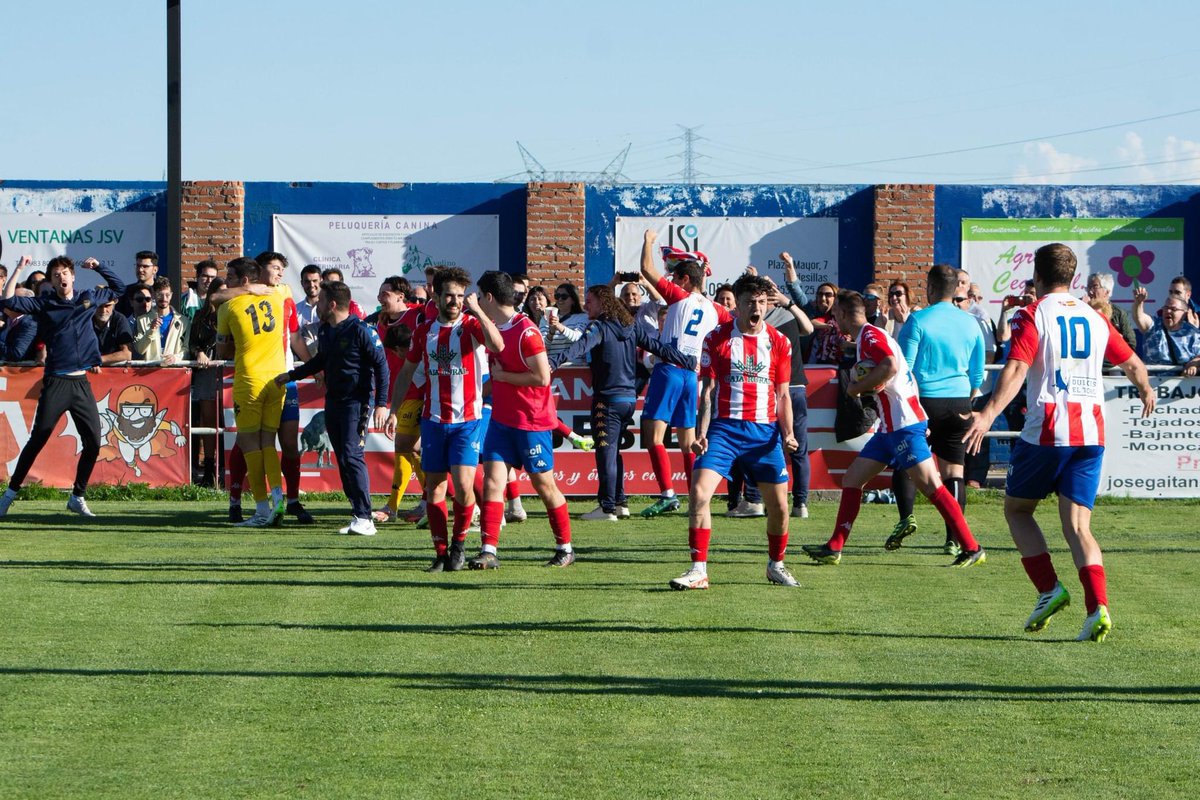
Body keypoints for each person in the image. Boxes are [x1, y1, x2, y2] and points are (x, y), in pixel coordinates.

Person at [965, 243, 1154, 642]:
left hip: (1048, 430)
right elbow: (1133, 363)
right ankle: (1098, 608)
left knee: (1017, 510)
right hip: (1091, 433)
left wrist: (987, 413)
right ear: (1071, 278)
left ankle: (1049, 589)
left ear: (1037, 276)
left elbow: (1016, 367)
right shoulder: (1095, 316)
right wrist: (1146, 389)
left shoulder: (1033, 314)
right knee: (1079, 527)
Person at [800, 290, 985, 568]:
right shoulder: (865, 337)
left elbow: (890, 365)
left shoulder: (871, 336)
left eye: (836, 311)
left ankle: (972, 548)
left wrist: (856, 388)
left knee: (933, 487)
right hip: (889, 428)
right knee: (852, 479)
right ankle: (834, 547)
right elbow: (894, 371)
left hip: (904, 426)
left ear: (842, 313)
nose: (833, 316)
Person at [668, 274, 801, 590]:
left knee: (780, 507)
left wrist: (789, 433)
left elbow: (783, 394)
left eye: (761, 302)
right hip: (725, 430)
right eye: (749, 302)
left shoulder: (779, 342)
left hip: (763, 433)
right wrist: (701, 432)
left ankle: (776, 565)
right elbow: (708, 390)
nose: (756, 308)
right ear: (737, 306)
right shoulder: (716, 338)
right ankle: (698, 569)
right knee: (699, 494)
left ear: (767, 305)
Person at [385, 267, 503, 572]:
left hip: (467, 420)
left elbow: (497, 345)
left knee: (464, 487)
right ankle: (440, 552)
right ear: (436, 296)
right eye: (449, 295)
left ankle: (459, 545)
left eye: (460, 296)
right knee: (435, 488)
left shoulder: (471, 325)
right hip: (433, 420)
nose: (455, 301)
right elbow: (407, 373)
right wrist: (393, 410)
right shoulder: (424, 331)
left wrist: (477, 309)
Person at [547, 284, 695, 521]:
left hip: (607, 399)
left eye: (590, 301)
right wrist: (685, 361)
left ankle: (606, 508)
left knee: (605, 452)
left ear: (603, 303)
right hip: (628, 400)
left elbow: (579, 347)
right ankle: (620, 503)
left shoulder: (599, 327)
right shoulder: (630, 325)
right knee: (613, 450)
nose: (586, 306)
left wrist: (552, 362)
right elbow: (656, 346)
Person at [0, 256, 126, 519]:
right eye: (56, 275)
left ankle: (77, 497)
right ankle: (9, 494)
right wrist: (19, 269)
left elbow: (120, 289)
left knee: (93, 441)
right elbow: (8, 301)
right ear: (52, 281)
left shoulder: (87, 297)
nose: (62, 278)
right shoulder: (45, 303)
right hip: (57, 380)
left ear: (73, 276)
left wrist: (100, 266)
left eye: (65, 273)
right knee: (39, 438)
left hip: (81, 383)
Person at [466, 270, 576, 566]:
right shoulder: (494, 330)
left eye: (479, 296)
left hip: (531, 422)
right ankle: (489, 550)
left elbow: (542, 377)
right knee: (492, 483)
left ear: (488, 297)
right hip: (502, 420)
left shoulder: (526, 330)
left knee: (544, 485)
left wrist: (503, 376)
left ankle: (565, 548)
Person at [276, 281, 389, 536]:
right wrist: (292, 375)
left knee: (352, 455)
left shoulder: (361, 330)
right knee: (342, 458)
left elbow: (381, 366)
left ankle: (364, 517)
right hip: (334, 401)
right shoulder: (327, 330)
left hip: (356, 402)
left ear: (333, 304)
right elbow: (321, 360)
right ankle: (357, 514)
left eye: (322, 300)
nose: (318, 305)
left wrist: (381, 404)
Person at [889, 265, 986, 555]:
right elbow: (978, 376)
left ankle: (907, 518)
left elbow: (904, 366)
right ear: (957, 289)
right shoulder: (971, 323)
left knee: (906, 463)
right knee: (953, 471)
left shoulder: (918, 320)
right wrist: (965, 400)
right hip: (958, 402)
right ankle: (954, 538)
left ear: (930, 289)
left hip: (923, 402)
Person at [638, 229, 731, 517]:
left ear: (686, 280)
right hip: (693, 375)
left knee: (653, 437)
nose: (673, 279)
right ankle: (695, 495)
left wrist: (648, 242)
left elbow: (646, 269)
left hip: (669, 370)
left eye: (677, 275)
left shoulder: (679, 296)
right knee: (688, 442)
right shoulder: (718, 310)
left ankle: (667, 494)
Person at [216, 257, 288, 528]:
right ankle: (278, 497)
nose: (227, 282)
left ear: (245, 281)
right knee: (268, 442)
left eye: (232, 277)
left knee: (249, 444)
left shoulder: (228, 306)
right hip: (277, 378)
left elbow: (222, 350)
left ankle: (260, 509)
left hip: (249, 380)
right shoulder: (279, 294)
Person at [186, 277, 226, 487]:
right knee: (208, 420)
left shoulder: (237, 312)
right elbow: (192, 343)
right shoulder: (202, 317)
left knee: (229, 420)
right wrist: (199, 352)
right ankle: (209, 468)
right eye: (219, 292)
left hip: (229, 372)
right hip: (206, 371)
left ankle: (227, 469)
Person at [1131, 288, 1200, 374]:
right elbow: (1138, 317)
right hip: (1152, 383)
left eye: (1173, 309)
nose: (1168, 311)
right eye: (1165, 308)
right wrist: (1138, 303)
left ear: (1184, 314)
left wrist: (1194, 364)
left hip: (1182, 384)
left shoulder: (1193, 333)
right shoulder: (1153, 326)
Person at [133, 277, 191, 364]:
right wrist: (151, 330)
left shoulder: (183, 321)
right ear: (153, 295)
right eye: (160, 294)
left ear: (171, 295)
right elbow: (140, 350)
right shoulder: (142, 320)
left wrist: (175, 358)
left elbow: (186, 349)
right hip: (149, 371)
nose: (164, 299)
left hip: (175, 371)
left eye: (167, 295)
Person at [1085, 272, 1136, 349]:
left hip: (1110, 360)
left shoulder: (1119, 313)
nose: (1090, 292)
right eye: (1088, 287)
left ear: (1107, 291)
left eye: (1095, 287)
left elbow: (1131, 343)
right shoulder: (1081, 308)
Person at [115, 250, 160, 318]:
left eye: (145, 266)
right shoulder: (126, 292)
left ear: (155, 270)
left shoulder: (162, 291)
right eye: (138, 266)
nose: (140, 270)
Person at [92, 294, 134, 363]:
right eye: (100, 306)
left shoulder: (119, 319)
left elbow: (127, 354)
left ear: (113, 305)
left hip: (114, 371)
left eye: (107, 306)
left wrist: (97, 360)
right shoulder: (86, 319)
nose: (103, 310)